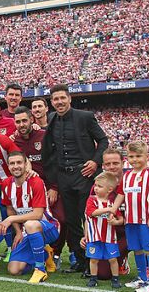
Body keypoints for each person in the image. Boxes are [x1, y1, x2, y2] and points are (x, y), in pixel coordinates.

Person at [41, 84, 108, 274]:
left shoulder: (85, 117)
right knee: (70, 220)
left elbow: (103, 140)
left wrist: (95, 162)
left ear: (69, 99)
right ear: (52, 103)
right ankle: (79, 259)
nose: (59, 102)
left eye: (62, 98)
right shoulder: (51, 118)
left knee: (86, 216)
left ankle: (91, 261)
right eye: (56, 99)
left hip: (84, 174)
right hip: (63, 176)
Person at [14, 106, 67, 266]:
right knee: (26, 220)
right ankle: (34, 251)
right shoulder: (14, 141)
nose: (22, 124)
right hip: (27, 190)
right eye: (18, 122)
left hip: (49, 186)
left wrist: (55, 187)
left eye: (24, 120)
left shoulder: (44, 136)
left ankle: (55, 253)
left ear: (32, 120)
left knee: (62, 220)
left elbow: (57, 162)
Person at [1, 152, 60, 284]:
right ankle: (45, 254)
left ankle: (40, 269)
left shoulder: (36, 182)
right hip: (26, 230)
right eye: (12, 163)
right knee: (14, 270)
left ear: (25, 164)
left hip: (48, 227)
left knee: (31, 224)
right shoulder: (6, 184)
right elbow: (10, 209)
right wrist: (17, 231)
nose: (16, 166)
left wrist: (11, 220)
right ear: (8, 166)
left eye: (19, 163)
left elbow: (38, 215)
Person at [115, 141, 149, 292]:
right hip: (131, 220)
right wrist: (113, 209)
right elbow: (120, 195)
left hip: (145, 219)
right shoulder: (127, 175)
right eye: (131, 156)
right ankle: (142, 279)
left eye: (138, 156)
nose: (135, 159)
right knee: (137, 249)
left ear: (146, 157)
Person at [84, 172, 124, 288]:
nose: (96, 188)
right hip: (94, 237)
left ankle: (115, 279)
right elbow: (92, 212)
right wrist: (109, 210)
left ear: (109, 189)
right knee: (94, 259)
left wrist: (116, 222)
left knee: (112, 259)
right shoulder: (92, 200)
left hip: (110, 237)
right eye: (95, 185)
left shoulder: (113, 204)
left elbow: (121, 219)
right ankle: (93, 278)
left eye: (100, 186)